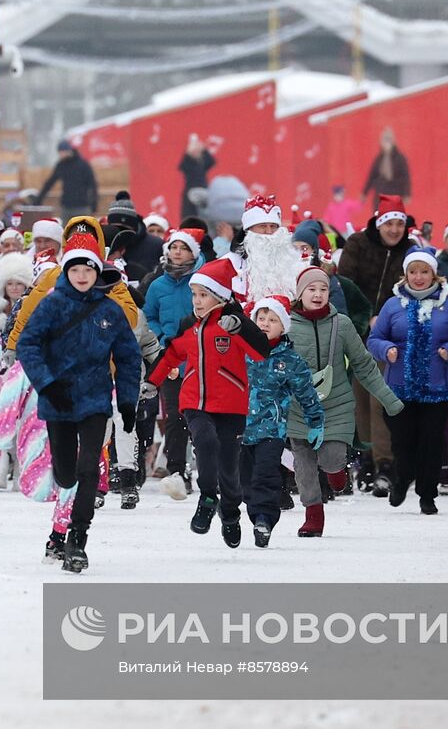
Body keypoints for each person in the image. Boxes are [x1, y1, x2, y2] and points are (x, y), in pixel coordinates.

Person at [16, 232, 141, 572]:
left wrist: (127, 402)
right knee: (66, 473)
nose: (82, 276)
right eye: (75, 270)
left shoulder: (111, 311)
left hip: (94, 401)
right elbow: (27, 345)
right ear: (66, 272)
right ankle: (60, 529)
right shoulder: (52, 304)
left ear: (97, 271)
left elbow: (129, 358)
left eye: (88, 269)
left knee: (89, 469)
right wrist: (46, 383)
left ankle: (77, 539)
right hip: (57, 401)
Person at [146, 258, 271, 548]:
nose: (197, 301)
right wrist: (152, 382)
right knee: (205, 441)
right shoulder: (189, 324)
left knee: (229, 466)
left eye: (204, 295)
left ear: (220, 295)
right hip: (194, 401)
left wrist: (241, 329)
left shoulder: (236, 322)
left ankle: (230, 513)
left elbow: (261, 352)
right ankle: (206, 498)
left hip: (231, 405)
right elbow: (171, 354)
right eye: (194, 295)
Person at [286, 267, 402, 535]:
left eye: (323, 289)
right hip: (298, 407)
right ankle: (313, 515)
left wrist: (388, 399)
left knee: (331, 458)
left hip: (336, 405)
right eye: (311, 289)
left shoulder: (343, 324)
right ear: (300, 293)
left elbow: (363, 365)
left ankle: (337, 470)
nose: (317, 294)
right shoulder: (287, 325)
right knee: (303, 469)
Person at [367, 247, 448, 514]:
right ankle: (402, 479)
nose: (419, 277)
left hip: (436, 388)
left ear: (434, 274)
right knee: (402, 441)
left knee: (431, 442)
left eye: (424, 271)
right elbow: (374, 339)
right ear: (405, 274)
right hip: (398, 388)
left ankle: (427, 494)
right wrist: (386, 350)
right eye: (413, 272)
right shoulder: (393, 304)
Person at [337, 194, 412, 493]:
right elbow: (346, 284)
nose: (394, 230)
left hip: (389, 335)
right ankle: (366, 459)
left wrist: (386, 320)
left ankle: (385, 462)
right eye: (389, 223)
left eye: (399, 224)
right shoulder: (357, 244)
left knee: (380, 397)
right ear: (379, 223)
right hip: (358, 331)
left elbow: (409, 289)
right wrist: (366, 316)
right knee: (358, 397)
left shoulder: (410, 251)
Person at [241, 294, 325, 547]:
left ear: (283, 326)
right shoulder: (240, 351)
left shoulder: (289, 360)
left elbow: (306, 393)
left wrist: (315, 421)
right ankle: (250, 509)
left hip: (271, 430)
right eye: (261, 318)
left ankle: (264, 520)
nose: (265, 323)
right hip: (239, 429)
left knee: (266, 476)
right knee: (243, 481)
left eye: (272, 319)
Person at [140, 228, 204, 495]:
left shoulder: (202, 280)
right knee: (176, 416)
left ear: (193, 253)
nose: (177, 252)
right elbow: (149, 315)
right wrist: (161, 338)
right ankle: (178, 471)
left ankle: (210, 469)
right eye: (174, 247)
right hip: (171, 359)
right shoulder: (158, 285)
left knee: (201, 418)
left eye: (184, 248)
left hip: (202, 357)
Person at [37, 140, 98, 220]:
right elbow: (50, 183)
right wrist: (38, 200)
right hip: (66, 207)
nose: (61, 155)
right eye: (60, 152)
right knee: (66, 231)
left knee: (84, 231)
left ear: (69, 151)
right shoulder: (61, 165)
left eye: (63, 152)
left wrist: (94, 204)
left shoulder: (83, 164)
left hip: (82, 207)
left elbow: (93, 184)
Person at [363, 128, 412, 205]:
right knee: (379, 215)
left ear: (393, 141)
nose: (387, 143)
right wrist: (364, 193)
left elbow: (406, 177)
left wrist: (407, 194)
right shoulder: (379, 159)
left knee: (393, 215)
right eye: (385, 140)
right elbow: (371, 176)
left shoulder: (400, 158)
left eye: (389, 140)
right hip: (380, 194)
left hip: (395, 194)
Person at [179, 135, 216, 219]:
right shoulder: (187, 163)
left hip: (203, 191)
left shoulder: (202, 163)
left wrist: (203, 150)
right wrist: (188, 153)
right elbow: (183, 166)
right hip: (190, 194)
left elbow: (211, 162)